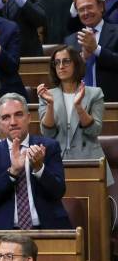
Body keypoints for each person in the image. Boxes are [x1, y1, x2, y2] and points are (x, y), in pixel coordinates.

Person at [0, 93, 69, 230]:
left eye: (18, 114)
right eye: (6, 117)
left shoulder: (49, 147)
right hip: (7, 232)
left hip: (47, 228)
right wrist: (13, 172)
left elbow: (58, 191)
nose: (13, 122)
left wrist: (39, 168)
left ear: (29, 117)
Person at [38, 47, 112, 185]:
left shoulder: (94, 93)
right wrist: (50, 105)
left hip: (90, 161)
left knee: (95, 205)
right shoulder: (47, 95)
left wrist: (79, 107)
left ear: (76, 63)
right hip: (57, 161)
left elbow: (94, 130)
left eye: (66, 61)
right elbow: (47, 134)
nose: (61, 66)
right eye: (57, 62)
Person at [65, 0, 118, 101]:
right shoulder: (70, 41)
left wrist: (96, 49)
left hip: (111, 102)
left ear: (101, 7)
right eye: (81, 10)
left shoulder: (116, 32)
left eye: (89, 7)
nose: (85, 13)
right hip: (80, 103)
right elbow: (66, 74)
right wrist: (82, 59)